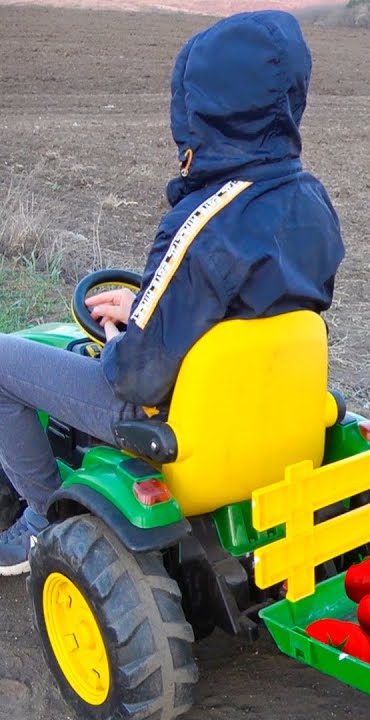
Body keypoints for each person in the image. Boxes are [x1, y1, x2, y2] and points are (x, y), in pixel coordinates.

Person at [0, 10, 344, 574]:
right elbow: (258, 306)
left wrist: (119, 336)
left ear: (199, 110)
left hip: (174, 415)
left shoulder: (203, 218)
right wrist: (149, 308)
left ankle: (41, 518)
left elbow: (135, 377)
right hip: (267, 409)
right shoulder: (310, 200)